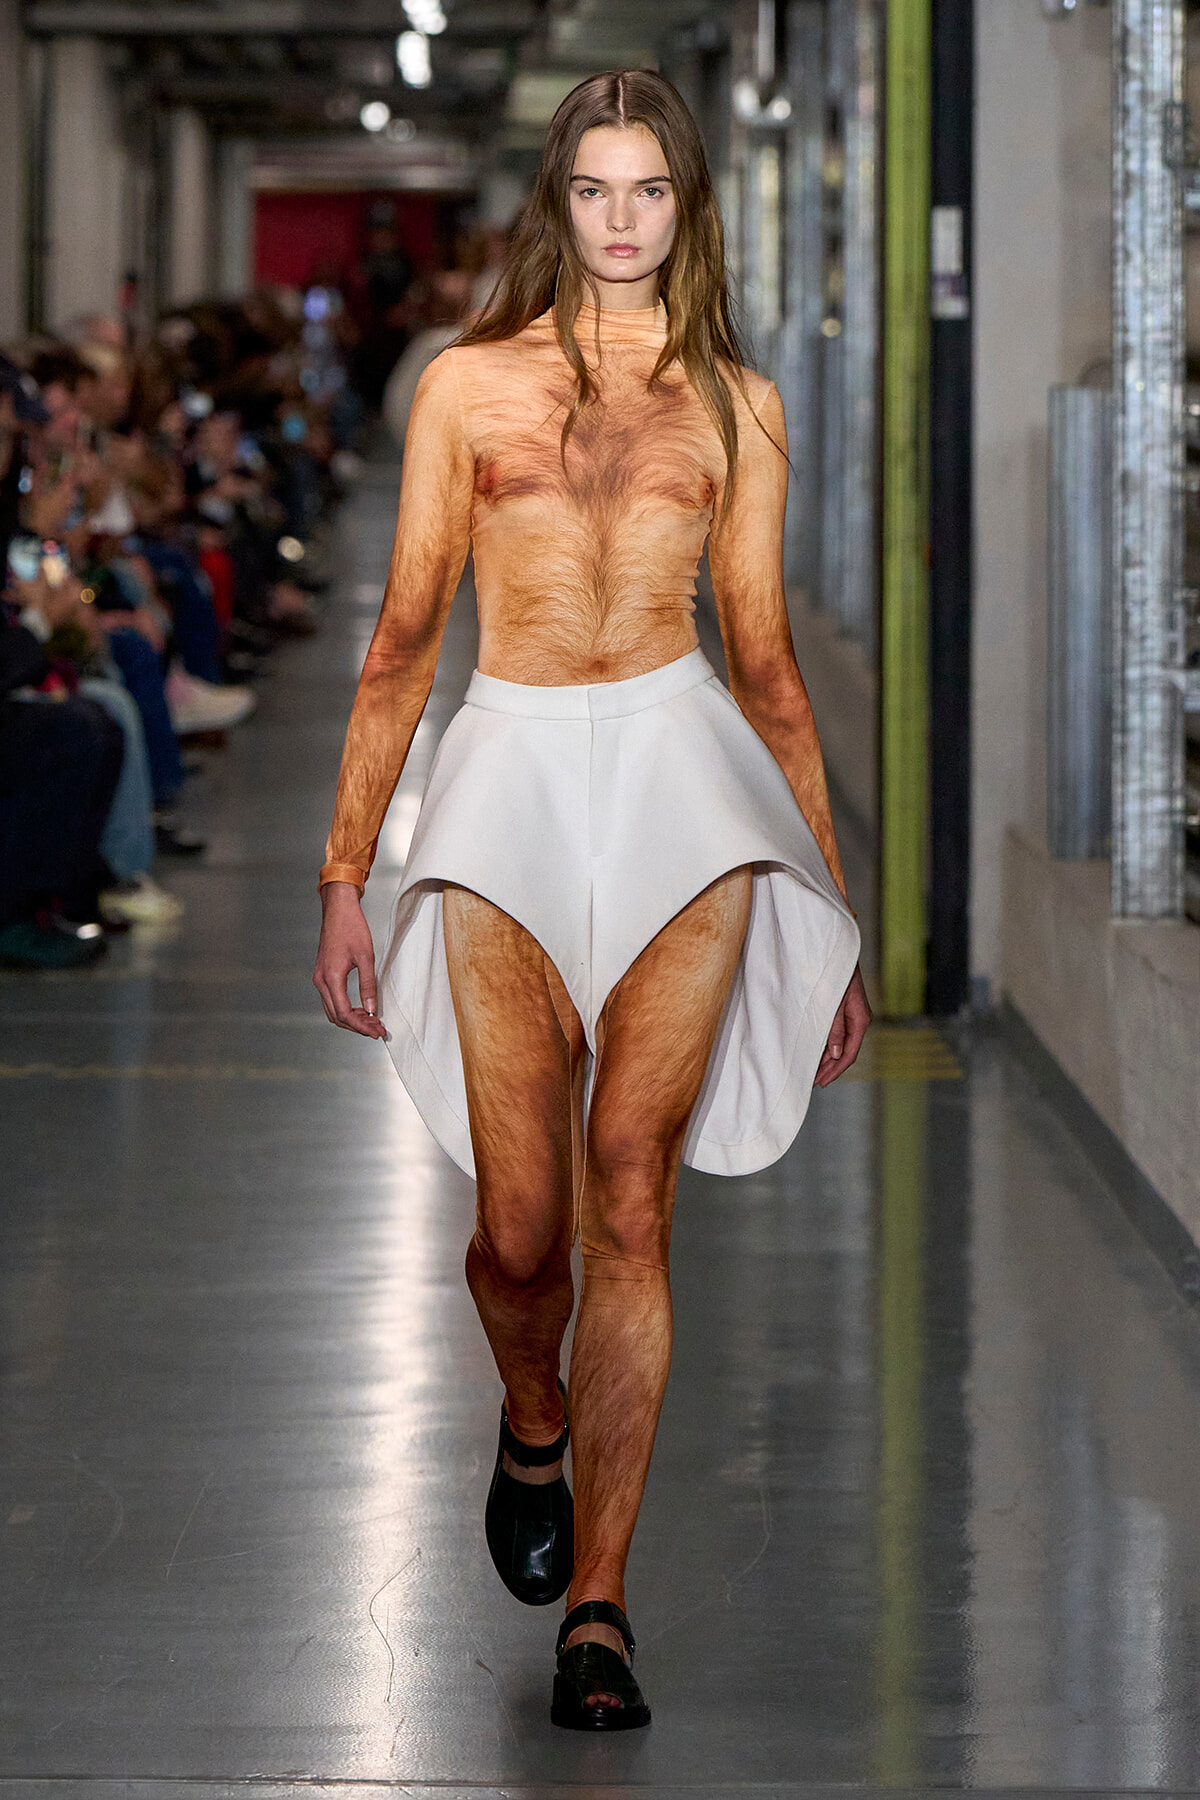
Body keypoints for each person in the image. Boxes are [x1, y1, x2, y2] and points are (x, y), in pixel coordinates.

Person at [314, 69, 871, 1733]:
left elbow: (766, 666)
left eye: (652, 193)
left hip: (686, 787)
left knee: (633, 1191)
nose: (623, 222)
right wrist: (346, 873)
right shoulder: (464, 389)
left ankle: (603, 1606)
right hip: (507, 784)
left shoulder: (740, 406)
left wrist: (822, 914)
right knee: (519, 1231)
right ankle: (533, 1410)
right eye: (595, 191)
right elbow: (407, 634)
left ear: (687, 209)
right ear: (554, 204)